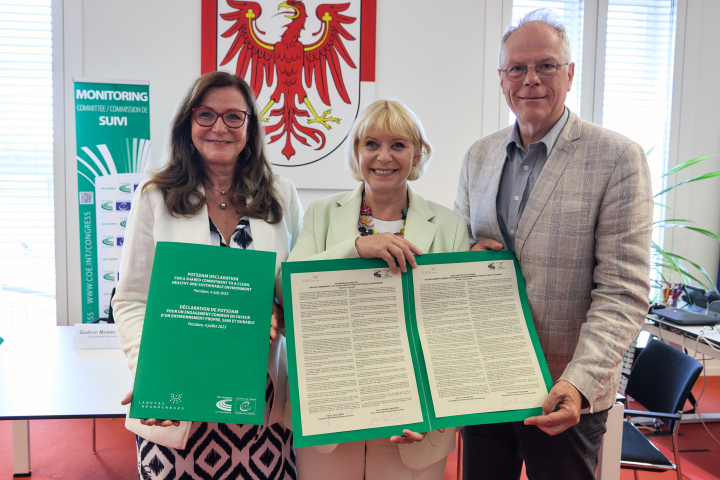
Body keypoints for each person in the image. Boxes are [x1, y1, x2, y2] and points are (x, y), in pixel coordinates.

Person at [454, 9, 653, 480]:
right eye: (517, 69)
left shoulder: (618, 158)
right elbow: (458, 254)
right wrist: (468, 261)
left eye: (546, 65)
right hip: (484, 382)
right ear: (502, 79)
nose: (531, 80)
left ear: (569, 73)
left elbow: (623, 290)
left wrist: (579, 383)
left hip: (564, 394)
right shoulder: (478, 155)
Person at [112, 71, 302, 480]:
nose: (220, 127)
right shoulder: (156, 195)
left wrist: (275, 311)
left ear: (250, 127)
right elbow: (130, 299)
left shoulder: (281, 195)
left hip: (260, 407)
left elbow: (296, 293)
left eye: (234, 117)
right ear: (188, 122)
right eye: (206, 115)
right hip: (180, 399)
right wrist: (153, 379)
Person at [286, 99, 469, 479]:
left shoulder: (451, 226)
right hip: (332, 411)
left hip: (416, 422)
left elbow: (456, 330)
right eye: (371, 144)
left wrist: (432, 408)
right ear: (356, 152)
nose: (383, 156)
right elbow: (288, 284)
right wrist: (353, 248)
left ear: (417, 154)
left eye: (398, 145)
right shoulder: (322, 213)